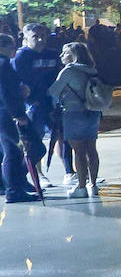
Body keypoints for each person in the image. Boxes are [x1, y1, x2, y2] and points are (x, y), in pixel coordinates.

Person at [12, 23, 73, 183]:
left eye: (43, 36)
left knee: (62, 136)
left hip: (52, 101)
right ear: (26, 38)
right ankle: (39, 175)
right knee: (35, 139)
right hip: (33, 104)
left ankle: (69, 172)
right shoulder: (21, 57)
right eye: (35, 37)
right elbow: (17, 81)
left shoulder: (52, 55)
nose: (40, 39)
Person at [47, 42, 103, 198]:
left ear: (73, 55)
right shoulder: (92, 70)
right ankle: (93, 185)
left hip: (73, 113)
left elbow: (53, 91)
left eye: (65, 53)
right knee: (91, 149)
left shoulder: (69, 71)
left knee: (78, 151)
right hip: (93, 112)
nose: (61, 56)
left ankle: (81, 186)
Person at [0, 33, 41, 203]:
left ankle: (15, 186)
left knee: (12, 151)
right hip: (8, 113)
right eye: (11, 46)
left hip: (5, 113)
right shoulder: (3, 65)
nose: (14, 49)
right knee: (30, 148)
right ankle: (14, 186)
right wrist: (18, 114)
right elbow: (6, 93)